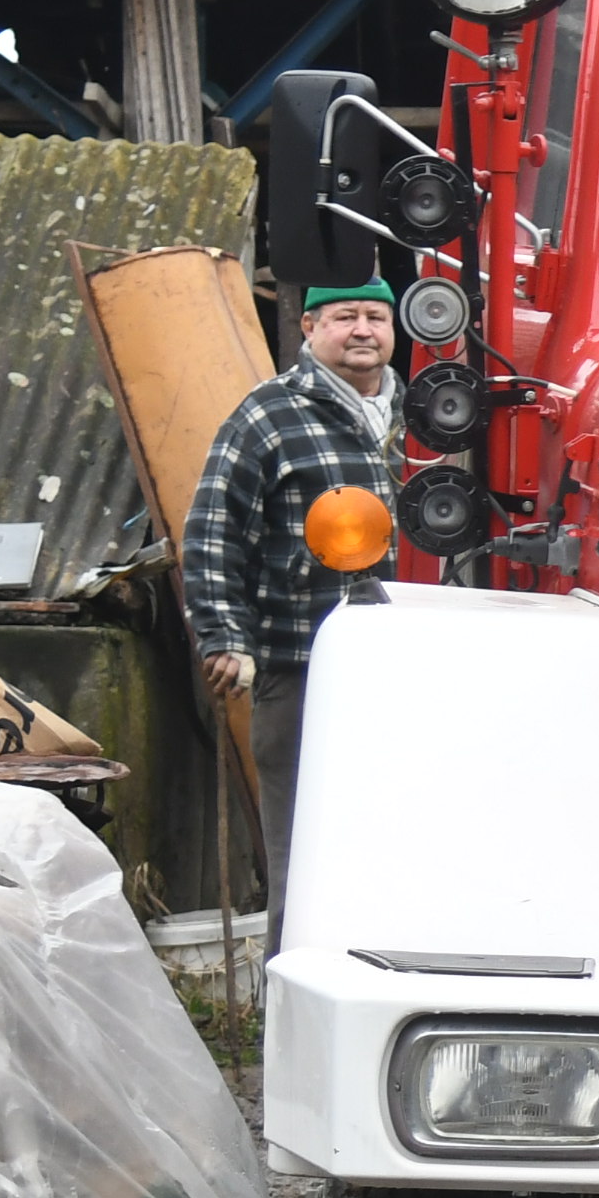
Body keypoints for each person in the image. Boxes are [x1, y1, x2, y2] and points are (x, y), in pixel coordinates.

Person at [184, 281, 402, 948]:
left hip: (401, 674)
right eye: (345, 318)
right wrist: (224, 637)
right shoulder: (268, 415)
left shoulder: (418, 417)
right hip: (302, 668)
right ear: (309, 327)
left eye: (376, 317)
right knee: (303, 853)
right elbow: (213, 529)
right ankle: (290, 1015)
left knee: (392, 847)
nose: (363, 330)